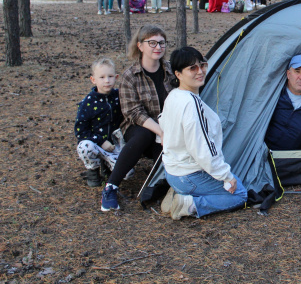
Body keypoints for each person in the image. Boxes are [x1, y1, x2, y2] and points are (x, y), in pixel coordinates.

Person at [159, 47, 248, 220]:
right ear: (178, 74)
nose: (200, 71)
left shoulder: (174, 96)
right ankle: (189, 204)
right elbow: (202, 150)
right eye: (192, 68)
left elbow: (163, 123)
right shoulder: (191, 104)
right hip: (189, 174)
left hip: (172, 171)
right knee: (240, 195)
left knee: (230, 180)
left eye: (202, 65)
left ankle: (180, 192)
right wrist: (226, 176)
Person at [100, 24, 175, 212]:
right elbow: (134, 113)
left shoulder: (172, 71)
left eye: (161, 43)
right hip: (138, 128)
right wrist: (161, 131)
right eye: (152, 43)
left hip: (167, 129)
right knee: (144, 135)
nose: (158, 47)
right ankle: (111, 187)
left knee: (165, 164)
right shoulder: (130, 76)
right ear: (140, 46)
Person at [74, 57, 124, 187]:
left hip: (115, 145)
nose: (107, 81)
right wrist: (100, 141)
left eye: (110, 76)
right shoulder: (88, 103)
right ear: (93, 79)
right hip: (96, 144)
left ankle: (108, 165)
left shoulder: (120, 96)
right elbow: (81, 131)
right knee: (84, 147)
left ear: (116, 77)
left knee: (127, 172)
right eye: (102, 77)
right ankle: (93, 170)